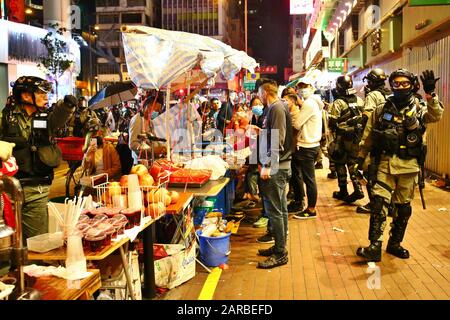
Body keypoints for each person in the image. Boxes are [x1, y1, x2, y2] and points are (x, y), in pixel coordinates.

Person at [355, 69, 444, 262]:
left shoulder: (420, 107)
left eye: (405, 83)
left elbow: (436, 115)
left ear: (412, 85)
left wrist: (431, 94)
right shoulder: (381, 109)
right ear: (391, 85)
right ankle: (374, 246)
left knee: (403, 209)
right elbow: (368, 135)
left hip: (409, 166)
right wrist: (360, 159)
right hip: (385, 164)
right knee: (379, 205)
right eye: (397, 84)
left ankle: (394, 243)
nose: (401, 87)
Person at [0, 76, 77, 240]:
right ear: (26, 96)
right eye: (40, 93)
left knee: (37, 243)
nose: (45, 97)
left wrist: (67, 106)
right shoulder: (5, 118)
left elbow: (58, 117)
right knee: (8, 242)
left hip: (37, 189)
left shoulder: (46, 118)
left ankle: (35, 266)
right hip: (8, 191)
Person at [256, 81, 293, 269]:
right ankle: (279, 246)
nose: (258, 97)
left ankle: (280, 254)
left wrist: (269, 165)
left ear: (265, 92)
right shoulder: (274, 109)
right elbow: (273, 134)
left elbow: (278, 139)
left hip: (278, 167)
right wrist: (261, 132)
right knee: (281, 210)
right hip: (279, 165)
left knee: (275, 211)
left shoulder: (277, 108)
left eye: (259, 93)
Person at [357, 68, 391, 214]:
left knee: (371, 172)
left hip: (375, 138)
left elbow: (367, 117)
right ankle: (390, 203)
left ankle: (374, 204)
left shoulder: (373, 95)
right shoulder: (389, 93)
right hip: (390, 139)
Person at [287, 79, 323, 219]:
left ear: (311, 87)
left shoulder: (309, 103)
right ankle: (309, 207)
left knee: (309, 179)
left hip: (307, 146)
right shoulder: (314, 102)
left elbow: (297, 124)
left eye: (305, 86)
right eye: (300, 87)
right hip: (312, 145)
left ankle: (311, 209)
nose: (302, 89)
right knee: (308, 178)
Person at [328, 75, 366, 204]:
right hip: (357, 137)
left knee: (339, 162)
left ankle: (343, 191)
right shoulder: (360, 100)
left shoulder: (339, 102)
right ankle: (358, 187)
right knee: (353, 163)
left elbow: (332, 122)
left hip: (342, 137)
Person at [129, 95, 166, 165]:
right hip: (140, 163)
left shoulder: (150, 122)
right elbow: (133, 144)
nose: (158, 112)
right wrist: (152, 150)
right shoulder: (137, 120)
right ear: (148, 107)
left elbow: (153, 139)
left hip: (150, 161)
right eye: (157, 109)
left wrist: (161, 147)